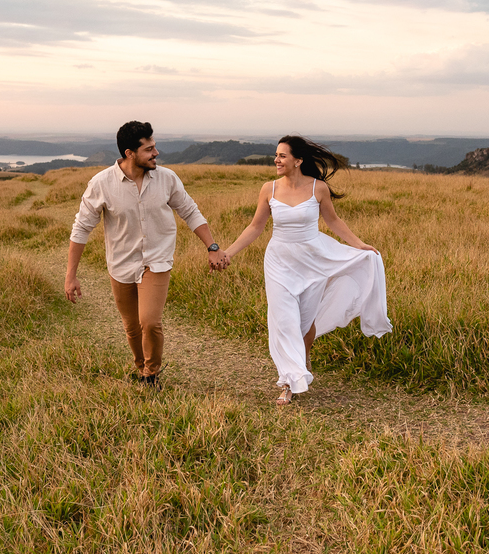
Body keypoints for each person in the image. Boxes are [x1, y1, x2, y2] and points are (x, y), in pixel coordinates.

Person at [223, 135, 391, 405]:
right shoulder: (268, 189)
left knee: (304, 321)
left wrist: (359, 245)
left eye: (282, 156)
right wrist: (228, 252)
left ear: (298, 161)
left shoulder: (318, 188)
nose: (276, 160)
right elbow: (255, 227)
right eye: (276, 155)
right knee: (284, 320)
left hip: (312, 261)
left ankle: (303, 358)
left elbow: (333, 221)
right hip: (279, 261)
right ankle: (289, 381)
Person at [65, 121, 228, 388]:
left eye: (154, 146)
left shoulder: (167, 178)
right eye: (149, 149)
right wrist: (71, 276)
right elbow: (81, 228)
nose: (156, 153)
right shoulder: (101, 183)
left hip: (157, 260)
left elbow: (189, 211)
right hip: (121, 263)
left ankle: (151, 373)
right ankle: (141, 368)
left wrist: (212, 247)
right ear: (129, 153)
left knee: (149, 322)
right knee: (132, 327)